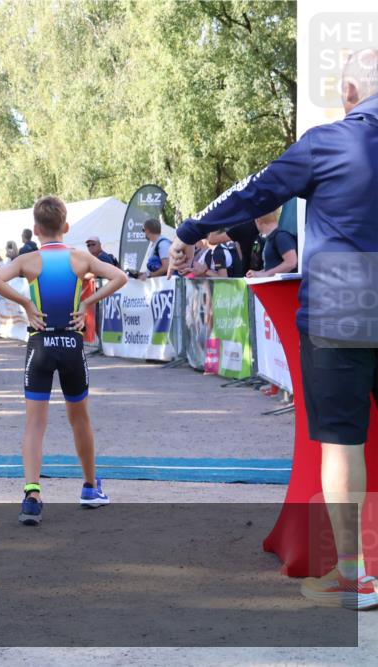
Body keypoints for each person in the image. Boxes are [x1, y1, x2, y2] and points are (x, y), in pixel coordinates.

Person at [169, 48, 378, 611]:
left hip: (340, 308)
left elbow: (255, 192)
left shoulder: (328, 141)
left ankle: (355, 578)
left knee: (342, 441)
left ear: (349, 93)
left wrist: (190, 231)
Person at [0, 196, 128, 526]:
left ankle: (32, 495)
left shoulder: (28, 260)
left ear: (35, 230)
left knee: (34, 423)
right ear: (66, 226)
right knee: (79, 419)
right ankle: (90, 487)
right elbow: (120, 277)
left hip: (40, 343)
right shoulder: (80, 258)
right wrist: (88, 302)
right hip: (71, 343)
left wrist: (26, 303)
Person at [248, 209, 297, 277]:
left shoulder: (281, 236)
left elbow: (291, 263)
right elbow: (272, 267)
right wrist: (257, 274)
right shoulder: (272, 238)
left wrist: (265, 274)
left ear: (258, 220)